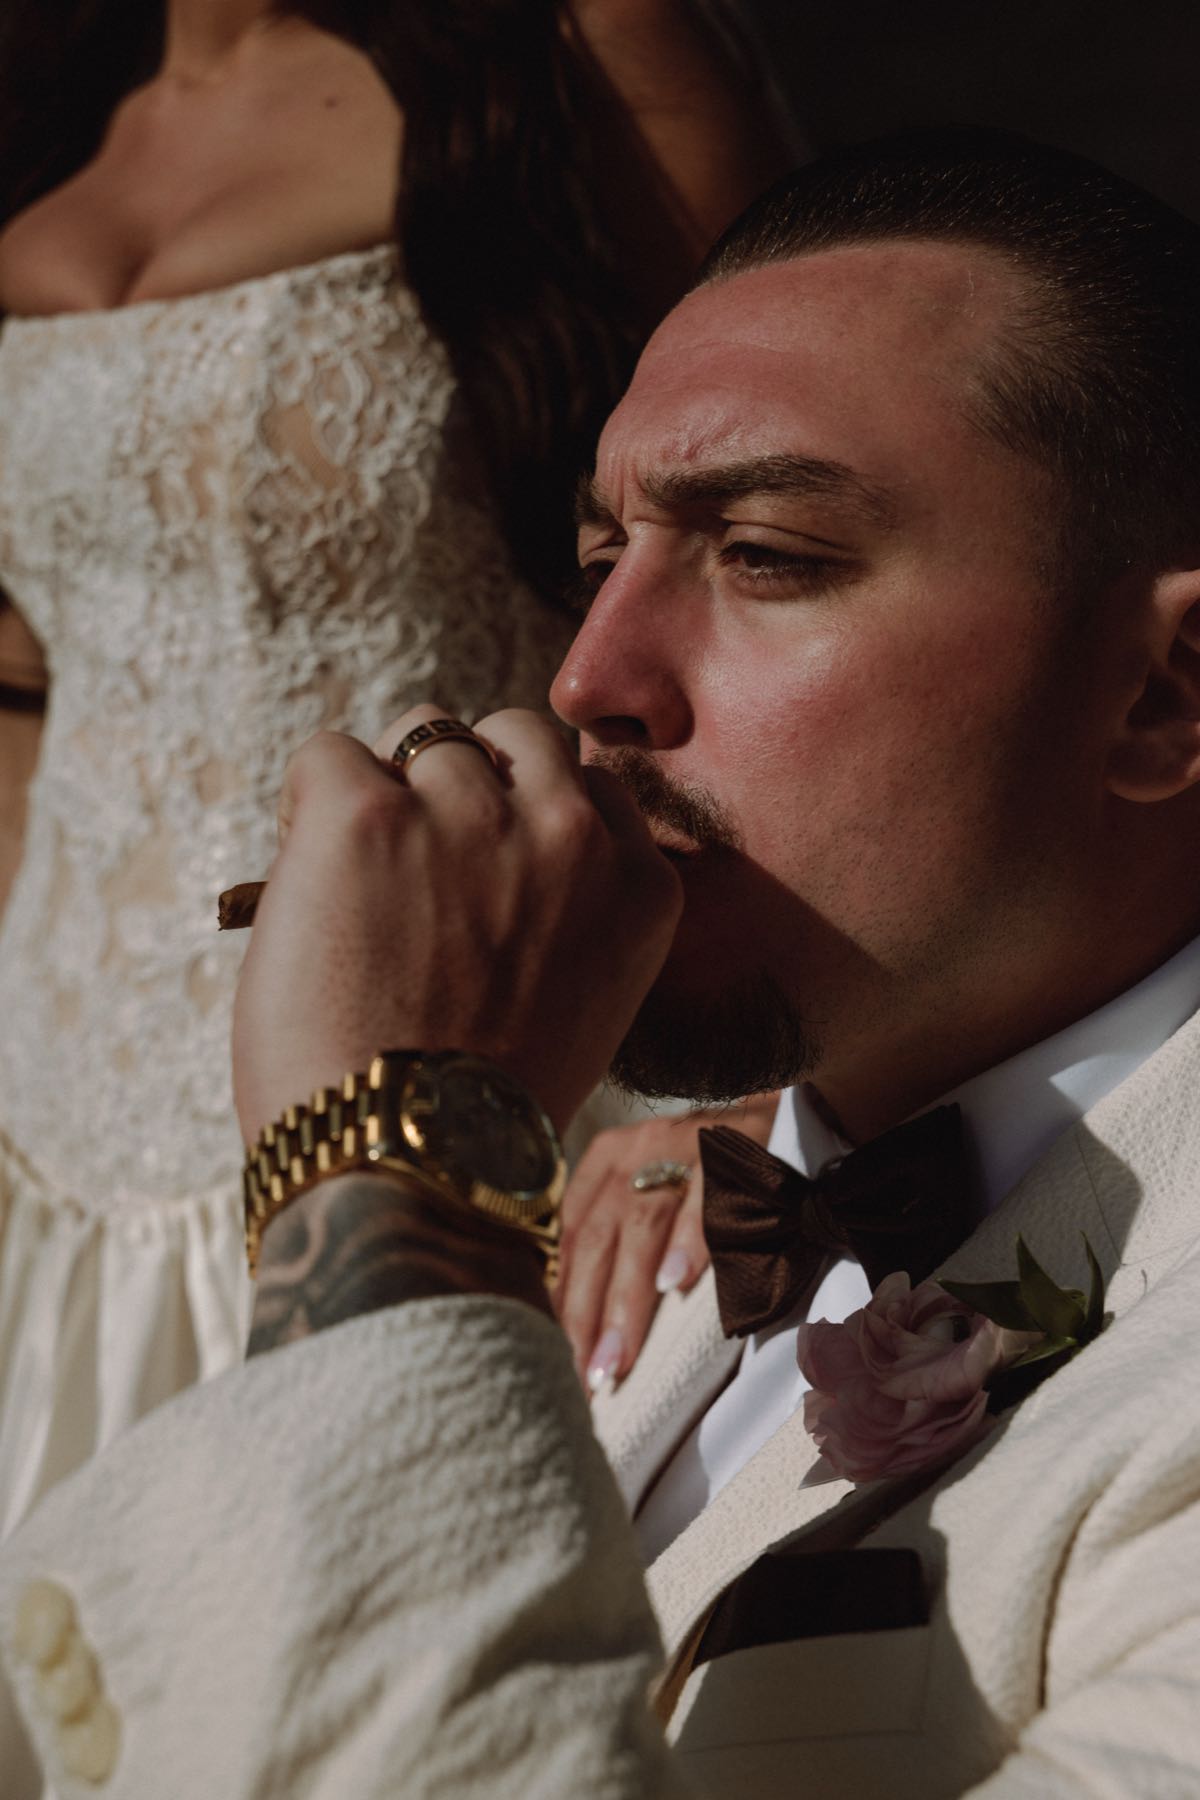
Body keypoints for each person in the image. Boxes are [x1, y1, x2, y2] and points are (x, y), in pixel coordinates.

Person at [8, 126, 1200, 1795]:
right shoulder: (633, 1227)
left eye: (767, 554)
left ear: (1163, 692)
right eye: (595, 566)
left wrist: (397, 1173)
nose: (588, 681)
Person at [0, 0, 778, 1532]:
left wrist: (766, 1094)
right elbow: (25, 698)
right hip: (44, 1150)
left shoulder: (581, 47)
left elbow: (789, 550)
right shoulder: (43, 99)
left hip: (486, 1076)